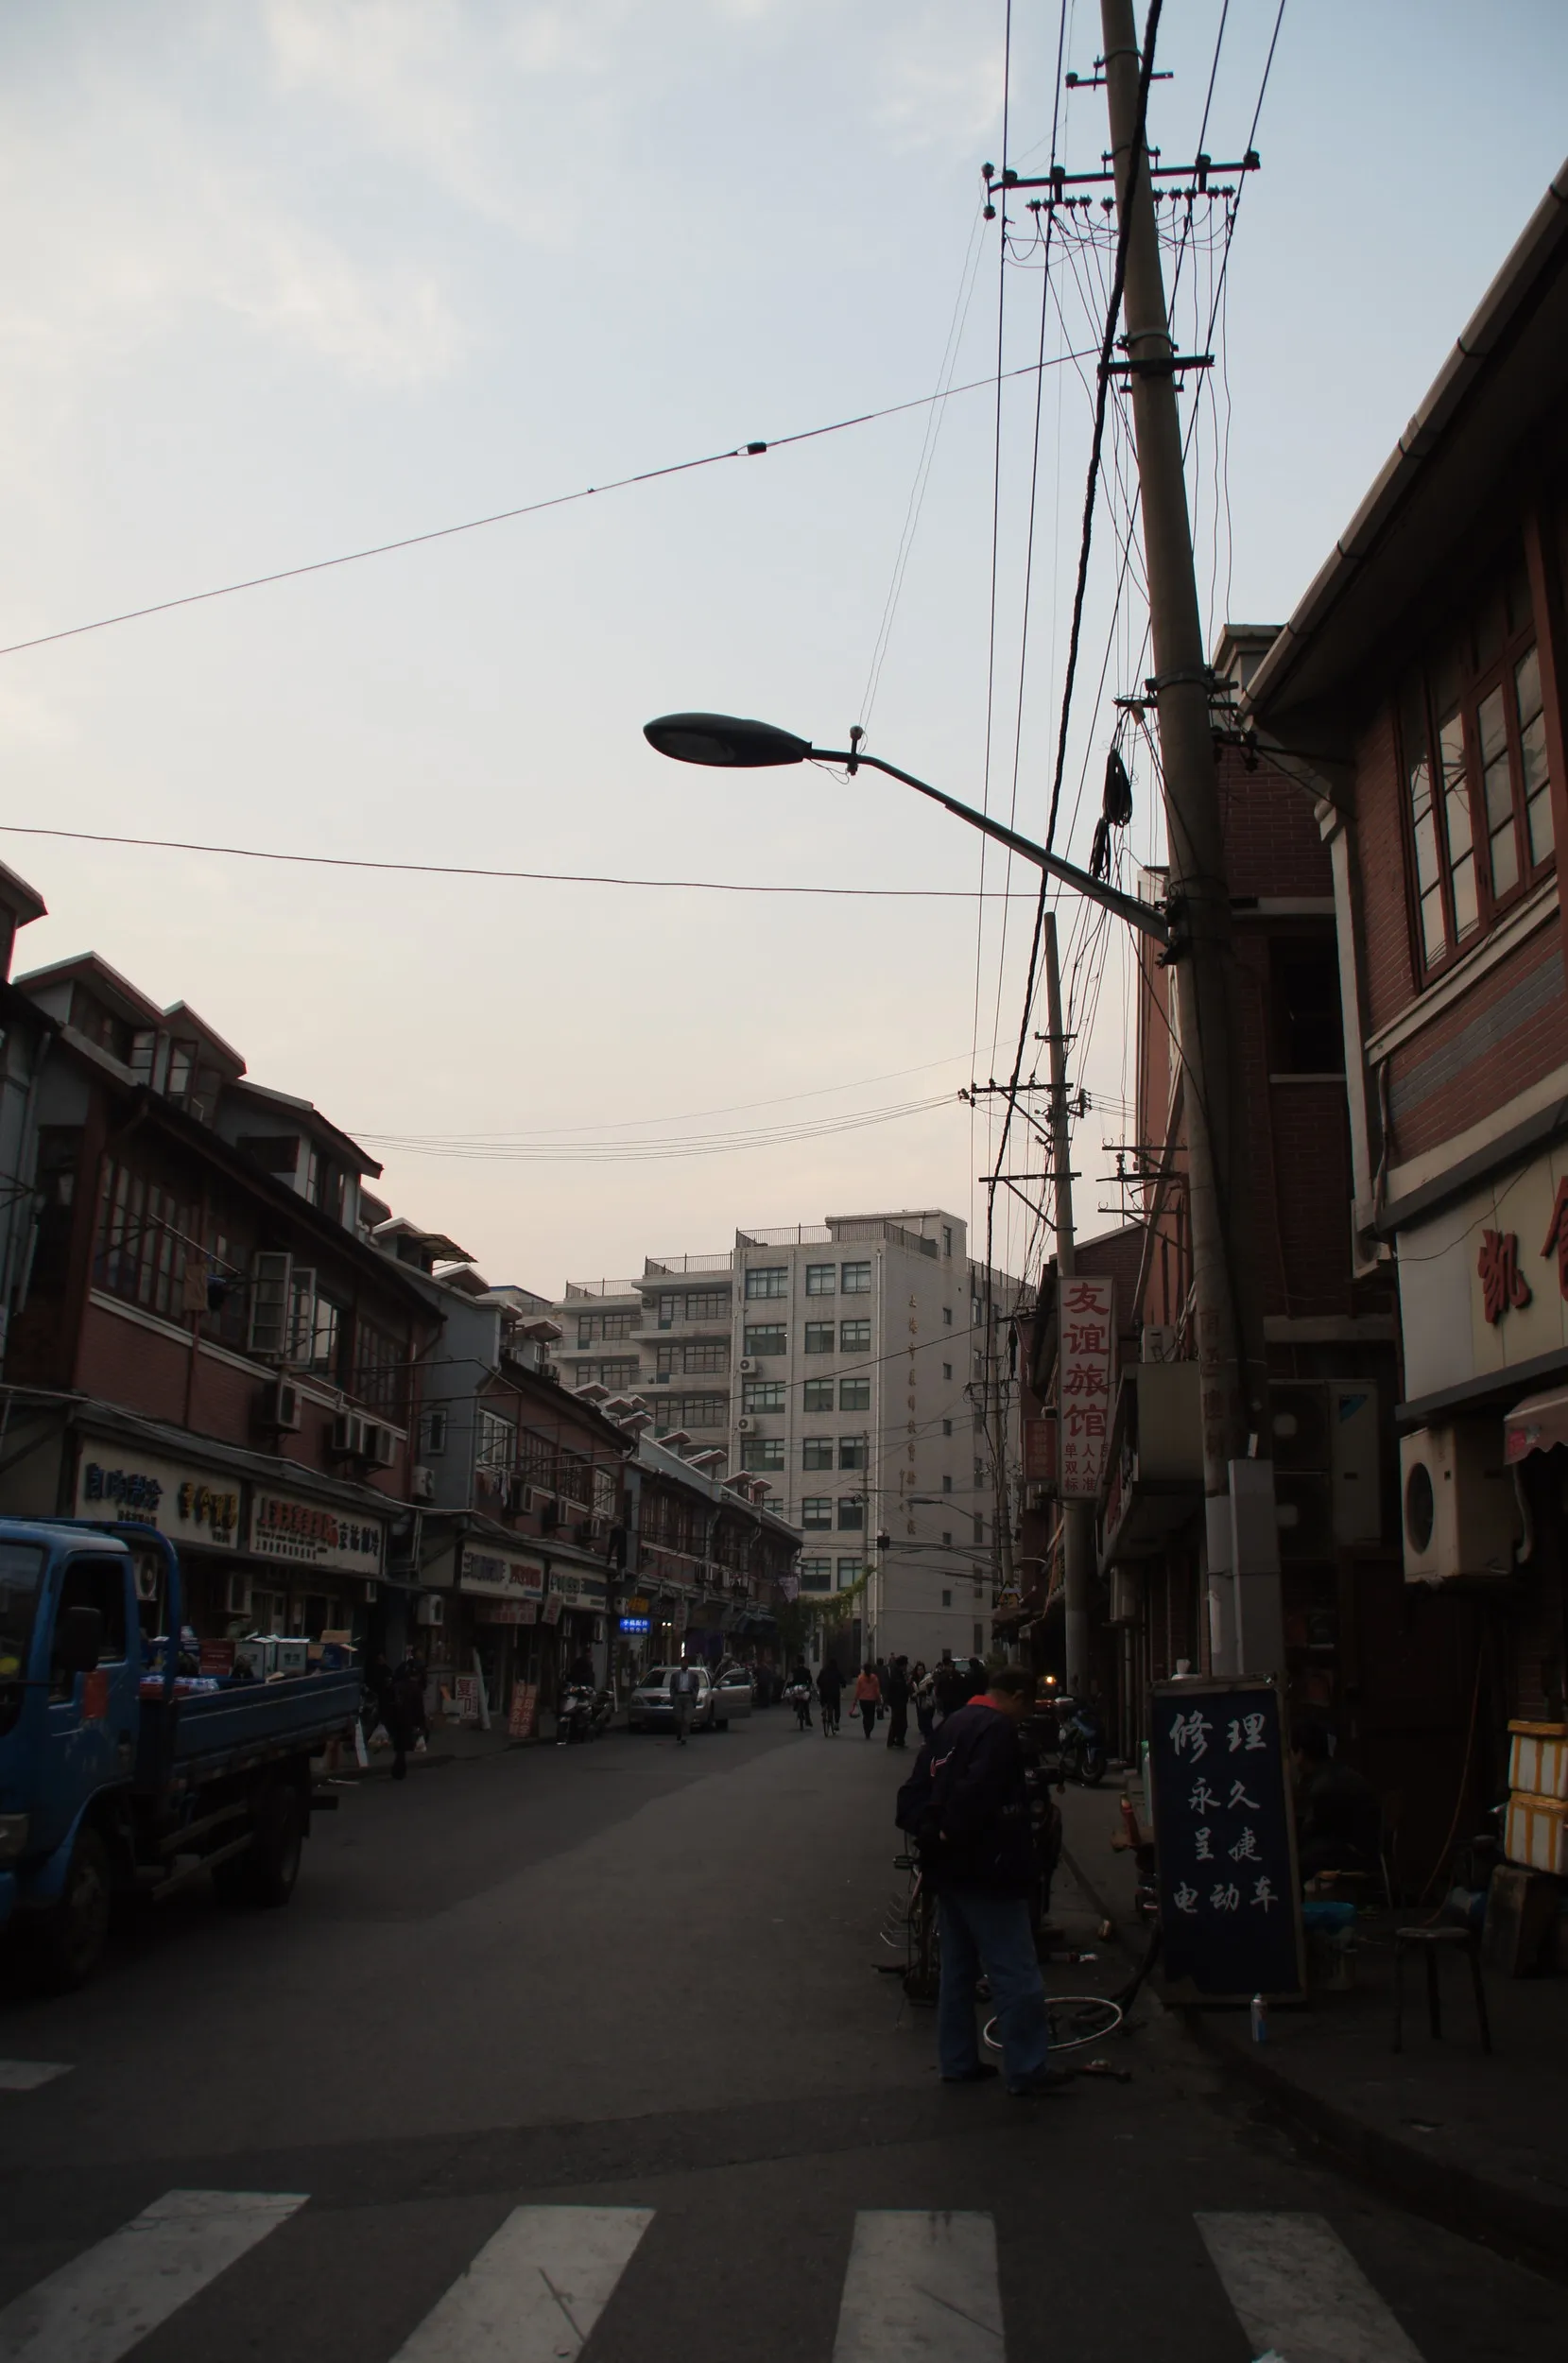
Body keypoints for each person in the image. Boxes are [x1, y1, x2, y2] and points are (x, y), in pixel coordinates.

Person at [896, 1664, 1069, 2097]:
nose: (1022, 1717)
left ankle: (957, 2061)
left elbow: (914, 1789)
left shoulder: (951, 1725)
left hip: (946, 1869)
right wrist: (954, 1828)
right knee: (1015, 1972)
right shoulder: (996, 1730)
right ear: (1015, 1697)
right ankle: (1026, 2068)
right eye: (1024, 1708)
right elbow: (981, 1789)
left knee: (957, 1972)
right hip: (988, 1866)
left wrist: (931, 1831)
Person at [1292, 1723, 1381, 1883]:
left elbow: (1309, 1833)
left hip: (1357, 1853)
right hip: (1366, 1847)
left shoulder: (1324, 1785)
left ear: (1300, 1753)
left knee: (1293, 1861)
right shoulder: (1336, 1772)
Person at [670, 1655, 701, 1746]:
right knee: (678, 1718)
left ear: (688, 1664)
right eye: (683, 1662)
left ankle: (684, 1736)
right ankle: (679, 1732)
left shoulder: (693, 1675)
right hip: (678, 1696)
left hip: (688, 1697)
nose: (684, 1664)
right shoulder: (675, 1675)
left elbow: (696, 1686)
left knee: (687, 1718)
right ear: (680, 1664)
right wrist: (673, 1696)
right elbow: (672, 1686)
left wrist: (694, 1695)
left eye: (686, 1662)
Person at [885, 1656, 911, 1751]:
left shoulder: (899, 1673)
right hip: (897, 1702)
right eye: (905, 1665)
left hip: (900, 1701)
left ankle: (898, 1740)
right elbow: (891, 1688)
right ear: (902, 1665)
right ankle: (894, 1740)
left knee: (900, 1722)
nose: (906, 1667)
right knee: (897, 1722)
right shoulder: (896, 1674)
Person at [853, 1663, 882, 1738]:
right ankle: (869, 1728)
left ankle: (866, 1730)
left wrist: (855, 1700)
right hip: (872, 1700)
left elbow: (858, 1691)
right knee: (871, 1716)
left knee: (865, 1716)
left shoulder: (860, 1678)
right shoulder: (875, 1678)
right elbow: (877, 1691)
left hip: (863, 1700)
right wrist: (879, 1700)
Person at [816, 1657, 843, 1735]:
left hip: (824, 1692)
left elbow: (818, 1681)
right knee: (837, 1707)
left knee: (823, 1701)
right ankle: (836, 1723)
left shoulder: (823, 1671)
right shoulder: (837, 1671)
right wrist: (843, 1684)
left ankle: (824, 1708)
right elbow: (842, 1680)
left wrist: (821, 1687)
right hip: (834, 1693)